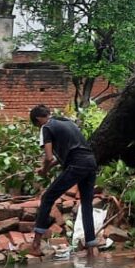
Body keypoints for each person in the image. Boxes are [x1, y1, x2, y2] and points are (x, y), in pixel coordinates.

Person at [29, 105, 98, 257]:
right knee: (86, 205)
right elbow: (62, 157)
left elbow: (48, 157)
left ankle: (35, 244)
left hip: (77, 164)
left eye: (37, 125)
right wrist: (46, 167)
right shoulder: (67, 122)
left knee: (48, 197)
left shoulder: (46, 127)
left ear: (38, 119)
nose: (39, 127)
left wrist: (44, 171)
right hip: (90, 162)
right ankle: (91, 250)